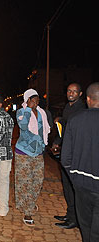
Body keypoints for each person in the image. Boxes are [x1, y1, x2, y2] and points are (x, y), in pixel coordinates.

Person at [61, 82, 99, 242]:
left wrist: (75, 177)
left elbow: (65, 158)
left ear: (87, 98)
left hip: (81, 185)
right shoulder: (71, 113)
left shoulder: (75, 119)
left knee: (86, 228)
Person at [14, 89, 50, 226]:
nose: (35, 102)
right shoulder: (22, 112)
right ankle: (27, 212)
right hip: (24, 152)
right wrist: (28, 109)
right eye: (32, 99)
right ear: (27, 100)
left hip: (38, 152)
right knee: (25, 182)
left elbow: (45, 130)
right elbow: (23, 127)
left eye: (37, 99)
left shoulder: (42, 113)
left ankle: (30, 202)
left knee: (38, 180)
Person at [52, 83, 86, 229]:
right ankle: (70, 214)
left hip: (75, 155)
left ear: (80, 94)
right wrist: (57, 142)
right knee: (66, 186)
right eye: (69, 91)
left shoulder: (81, 110)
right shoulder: (68, 107)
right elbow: (64, 129)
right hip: (66, 151)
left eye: (74, 91)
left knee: (72, 187)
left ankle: (75, 219)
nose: (71, 93)